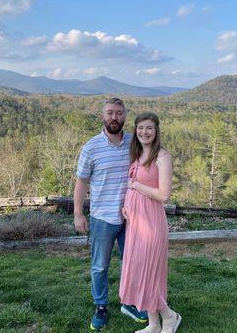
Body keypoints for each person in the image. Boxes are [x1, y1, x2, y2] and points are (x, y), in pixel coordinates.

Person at [74, 98, 148, 331]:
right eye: (109, 113)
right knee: (99, 266)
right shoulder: (91, 147)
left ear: (125, 116)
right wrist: (78, 213)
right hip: (102, 218)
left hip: (132, 217)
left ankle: (130, 303)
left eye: (118, 113)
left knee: (133, 263)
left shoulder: (134, 144)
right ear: (102, 116)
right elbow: (81, 182)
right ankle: (101, 307)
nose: (114, 117)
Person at [119, 112, 182, 333]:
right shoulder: (137, 154)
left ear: (156, 132)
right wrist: (127, 205)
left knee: (149, 272)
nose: (144, 132)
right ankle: (153, 324)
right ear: (135, 130)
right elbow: (130, 185)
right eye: (140, 128)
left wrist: (136, 186)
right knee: (140, 271)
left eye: (149, 128)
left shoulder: (162, 157)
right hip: (135, 223)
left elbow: (164, 195)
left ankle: (170, 316)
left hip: (152, 223)